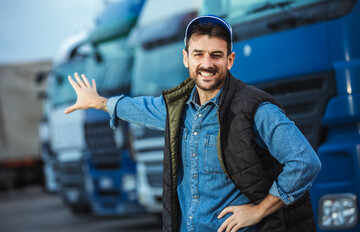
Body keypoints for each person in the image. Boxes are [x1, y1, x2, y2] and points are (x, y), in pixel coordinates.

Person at [64, 15, 321, 232]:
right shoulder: (177, 108)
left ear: (229, 60)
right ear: (186, 58)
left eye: (216, 55)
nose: (207, 64)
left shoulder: (255, 108)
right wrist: (100, 103)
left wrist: (258, 211)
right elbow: (141, 108)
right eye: (199, 54)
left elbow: (304, 162)